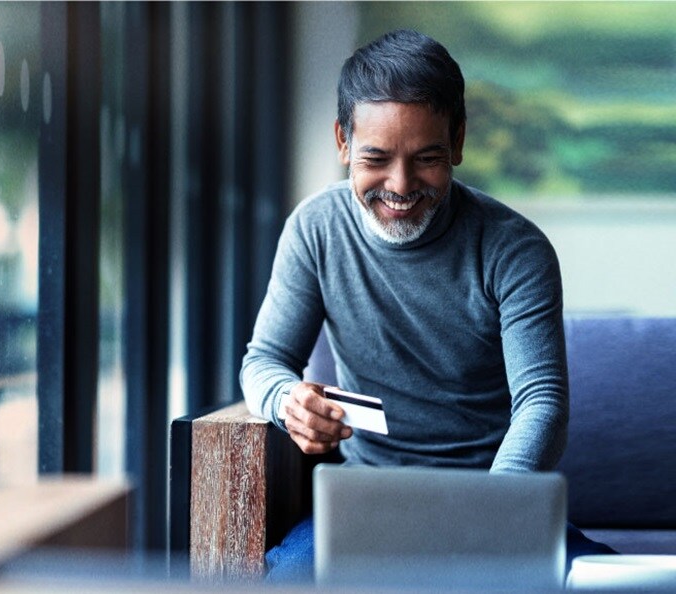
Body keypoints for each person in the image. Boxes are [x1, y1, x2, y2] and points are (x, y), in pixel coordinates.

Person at [239, 28, 614, 581]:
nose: (400, 184)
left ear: (458, 141)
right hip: (367, 504)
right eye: (375, 158)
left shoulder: (515, 249)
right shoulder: (315, 230)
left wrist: (490, 517)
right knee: (289, 580)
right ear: (342, 141)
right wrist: (285, 401)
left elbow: (542, 405)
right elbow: (262, 361)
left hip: (496, 496)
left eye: (427, 158)